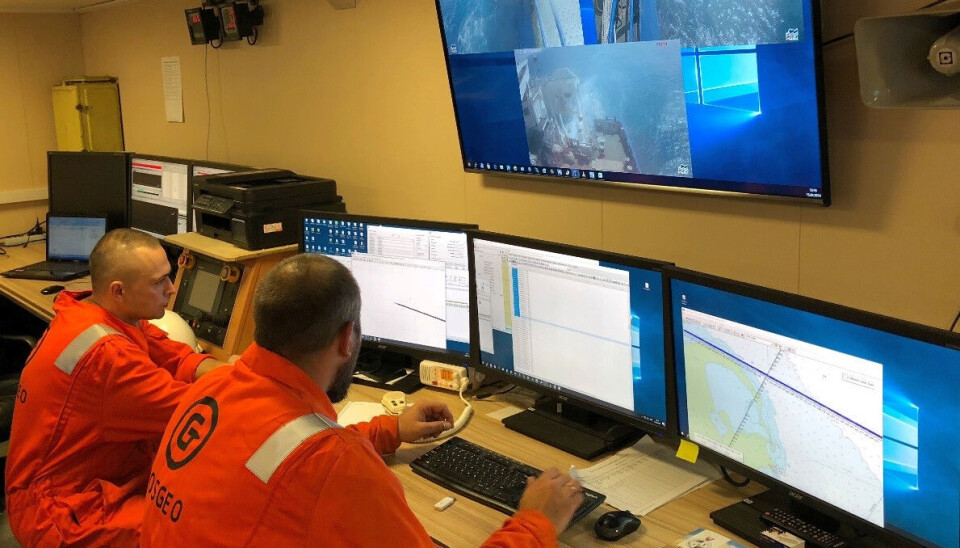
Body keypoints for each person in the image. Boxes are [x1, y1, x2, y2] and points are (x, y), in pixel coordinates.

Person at [141, 254, 584, 547]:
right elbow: (316, 464)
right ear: (347, 335)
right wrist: (537, 521)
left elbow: (281, 459)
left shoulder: (212, 388)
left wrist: (388, 430)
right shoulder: (338, 464)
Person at [5, 229, 228, 548]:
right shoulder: (108, 357)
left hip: (90, 479)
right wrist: (259, 386)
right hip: (62, 511)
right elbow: (197, 413)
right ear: (119, 290)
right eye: (158, 282)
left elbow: (180, 359)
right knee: (204, 527)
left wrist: (235, 372)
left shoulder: (101, 314)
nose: (172, 288)